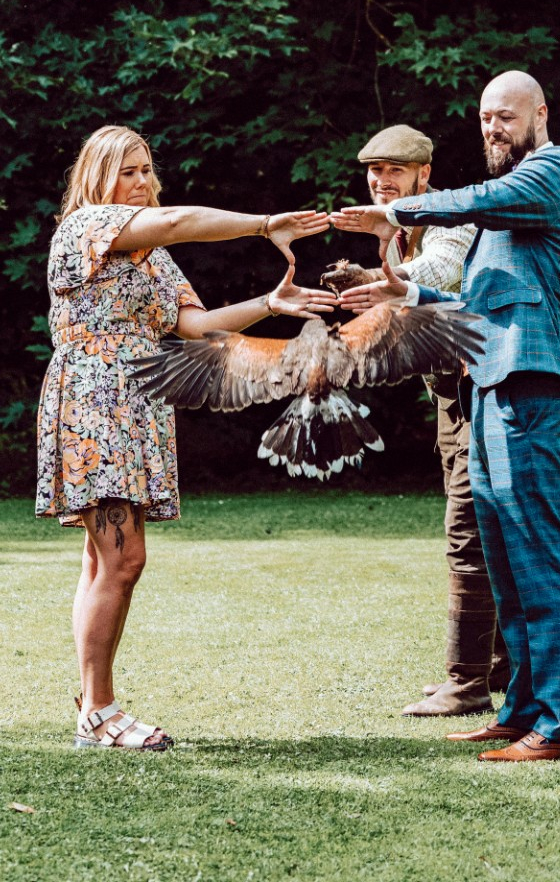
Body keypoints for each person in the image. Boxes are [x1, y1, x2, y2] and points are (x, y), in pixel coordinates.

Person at [36, 124, 336, 751]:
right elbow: (175, 222)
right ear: (96, 177)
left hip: (139, 400)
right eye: (128, 171)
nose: (142, 182)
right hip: (95, 401)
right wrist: (264, 223)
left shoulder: (152, 256)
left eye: (147, 169)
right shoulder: (88, 227)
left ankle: (94, 704)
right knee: (124, 559)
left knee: (102, 560)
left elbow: (196, 326)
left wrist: (270, 303)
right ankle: (99, 711)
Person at [333, 70, 560, 761]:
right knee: (504, 560)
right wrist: (403, 291)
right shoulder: (503, 214)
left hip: (532, 379)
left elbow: (480, 198)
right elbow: (475, 305)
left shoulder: (552, 173)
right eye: (484, 119)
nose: (493, 128)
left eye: (505, 116)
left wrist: (399, 212)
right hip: (488, 382)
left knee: (537, 556)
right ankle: (520, 711)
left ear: (540, 112)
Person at [333, 124, 509, 717]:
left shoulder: (448, 221)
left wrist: (377, 284)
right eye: (375, 172)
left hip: (480, 390)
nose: (382, 182)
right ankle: (500, 665)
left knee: (467, 533)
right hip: (450, 394)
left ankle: (466, 682)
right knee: (486, 530)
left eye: (395, 173)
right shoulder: (400, 233)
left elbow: (434, 275)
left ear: (423, 176)